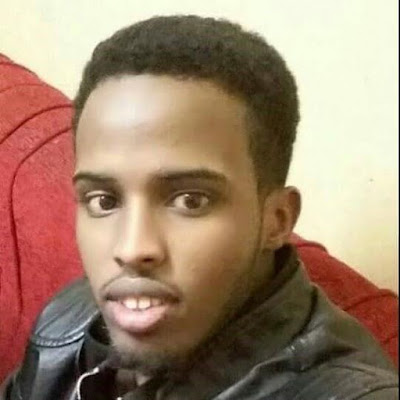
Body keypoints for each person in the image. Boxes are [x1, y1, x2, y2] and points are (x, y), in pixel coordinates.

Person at [1, 15, 397, 400]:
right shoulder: (65, 325)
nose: (132, 249)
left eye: (190, 201)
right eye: (104, 201)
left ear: (277, 220)